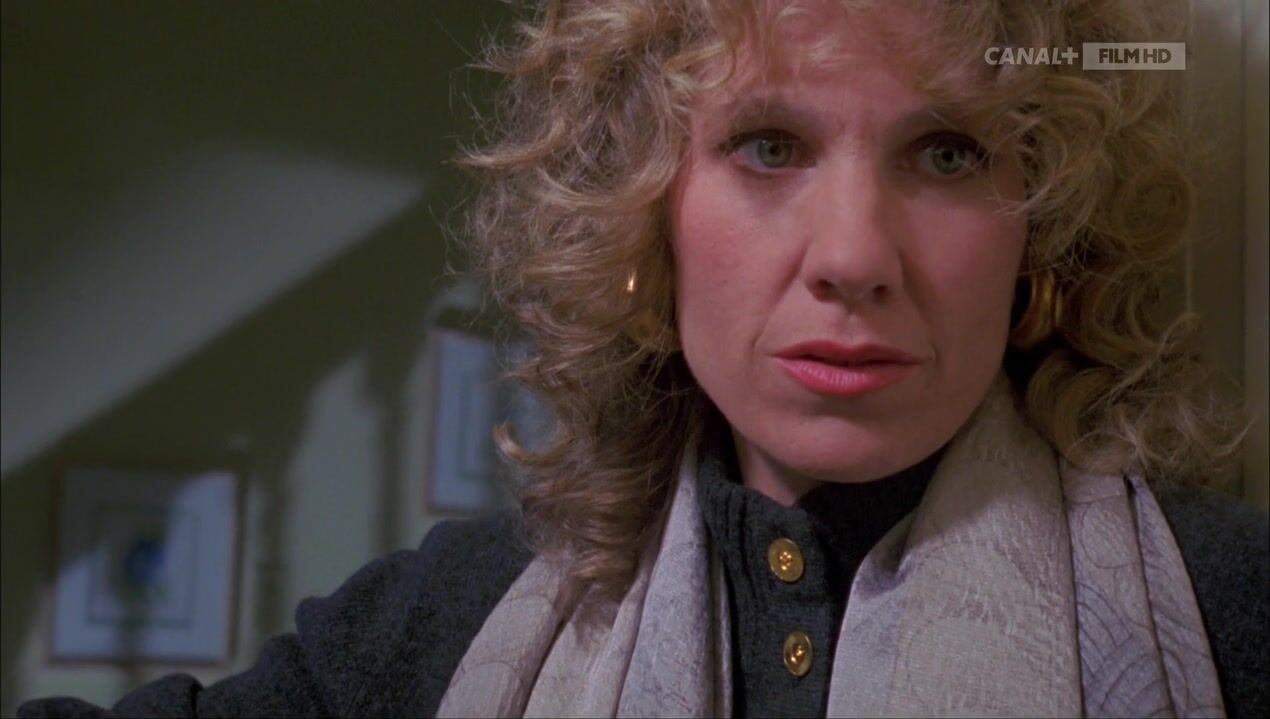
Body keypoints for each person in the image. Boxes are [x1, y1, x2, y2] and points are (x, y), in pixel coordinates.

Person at [21, 0, 1268, 717]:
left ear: (1037, 229)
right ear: (645, 215)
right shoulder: (456, 613)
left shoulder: (1228, 607)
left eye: (946, 153)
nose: (853, 255)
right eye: (768, 146)